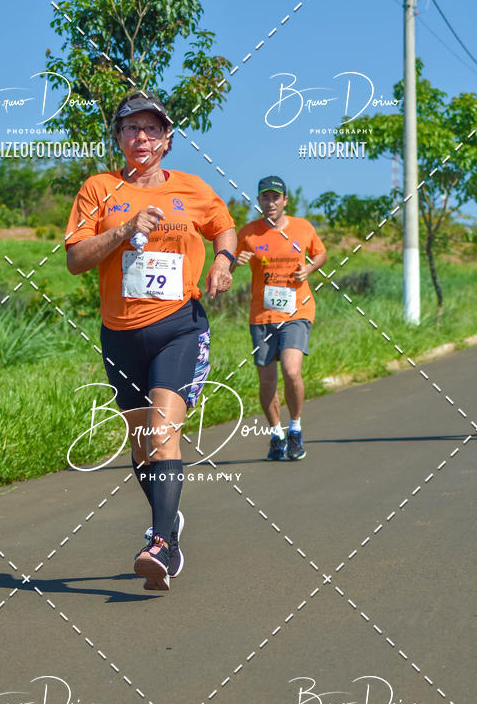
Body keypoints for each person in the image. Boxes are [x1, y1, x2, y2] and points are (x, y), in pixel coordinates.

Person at [65, 91, 236, 590]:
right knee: (142, 444)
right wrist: (123, 229)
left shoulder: (192, 187)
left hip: (179, 327)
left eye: (151, 129)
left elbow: (223, 228)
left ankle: (160, 543)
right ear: (118, 138)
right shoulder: (98, 189)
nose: (141, 137)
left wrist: (223, 261)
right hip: (120, 334)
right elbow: (76, 259)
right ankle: (169, 524)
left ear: (167, 139)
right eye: (130, 129)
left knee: (162, 434)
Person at [232, 176, 327, 461]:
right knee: (267, 382)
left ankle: (295, 428)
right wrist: (236, 261)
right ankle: (276, 434)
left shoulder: (303, 227)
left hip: (297, 311)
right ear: (259, 201)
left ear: (285, 200)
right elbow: (229, 261)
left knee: (291, 370)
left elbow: (320, 254)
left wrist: (308, 270)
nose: (270, 202)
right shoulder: (249, 232)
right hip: (262, 315)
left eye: (275, 197)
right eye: (265, 197)